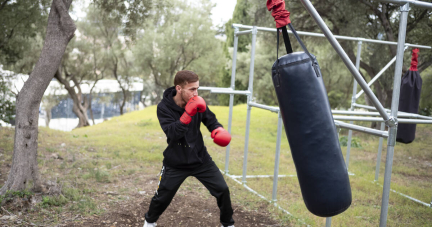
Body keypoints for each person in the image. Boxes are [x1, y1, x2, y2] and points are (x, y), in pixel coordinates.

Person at [143, 70, 235, 227]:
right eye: (192, 89)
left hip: (200, 159)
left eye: (197, 88)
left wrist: (218, 130)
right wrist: (187, 113)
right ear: (179, 88)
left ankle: (227, 224)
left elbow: (210, 120)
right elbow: (172, 133)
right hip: (176, 162)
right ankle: (149, 222)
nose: (196, 93)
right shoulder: (164, 107)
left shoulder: (197, 101)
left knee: (223, 190)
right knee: (162, 196)